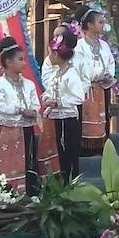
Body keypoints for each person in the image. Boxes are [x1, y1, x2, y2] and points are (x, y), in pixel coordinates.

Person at [0, 37, 40, 193]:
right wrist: (20, 110)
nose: (24, 63)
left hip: (26, 129)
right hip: (7, 130)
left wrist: (33, 111)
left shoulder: (28, 84)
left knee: (28, 162)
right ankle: (8, 196)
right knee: (8, 164)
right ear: (8, 62)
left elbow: (35, 104)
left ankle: (30, 195)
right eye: (20, 59)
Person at [40, 29, 84, 182]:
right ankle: (62, 181)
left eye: (51, 53)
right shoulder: (56, 73)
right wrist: (47, 98)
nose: (49, 57)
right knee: (59, 149)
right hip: (56, 117)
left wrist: (60, 102)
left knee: (69, 150)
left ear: (57, 55)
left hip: (68, 118)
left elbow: (79, 97)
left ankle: (72, 181)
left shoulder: (71, 74)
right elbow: (49, 91)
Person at [73, 5, 116, 155]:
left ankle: (103, 148)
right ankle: (87, 150)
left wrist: (108, 75)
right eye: (99, 22)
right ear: (89, 25)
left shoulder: (104, 45)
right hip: (88, 88)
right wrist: (94, 76)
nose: (102, 24)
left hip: (103, 87)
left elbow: (111, 62)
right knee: (87, 119)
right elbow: (80, 67)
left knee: (104, 118)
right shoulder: (80, 46)